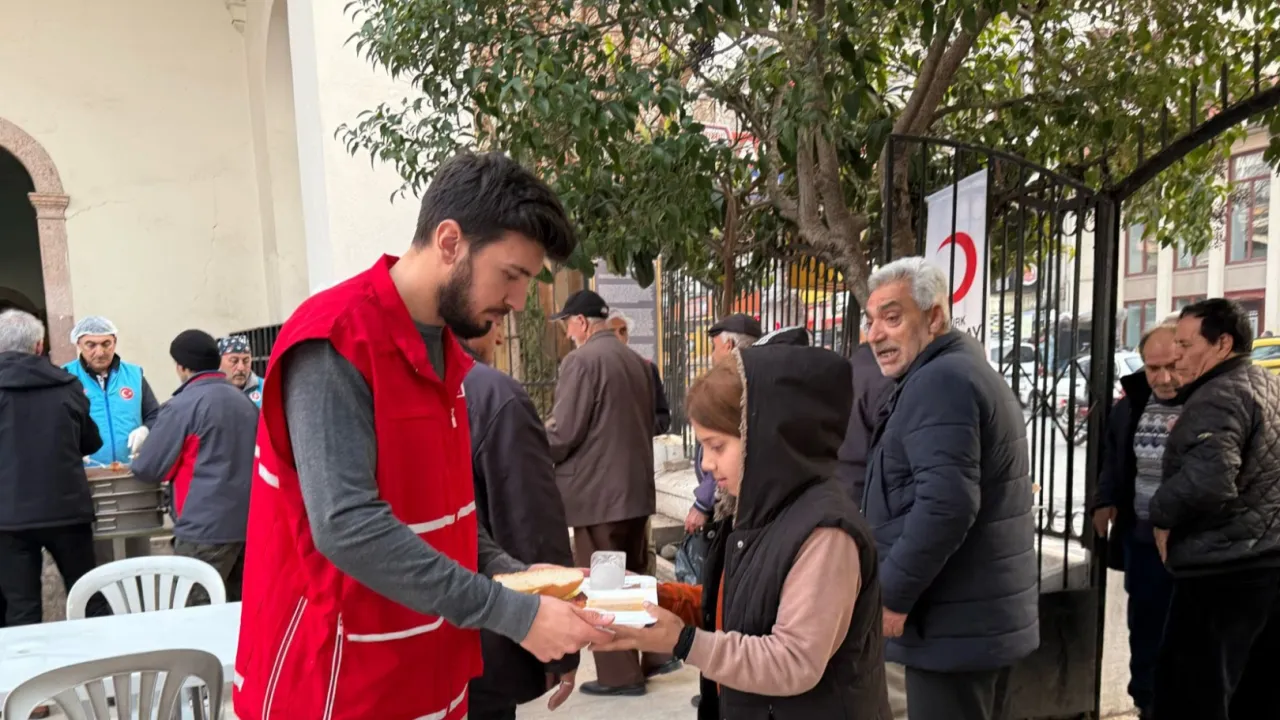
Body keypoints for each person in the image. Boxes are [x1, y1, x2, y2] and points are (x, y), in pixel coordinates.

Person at [233, 152, 612, 720]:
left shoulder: (444, 353)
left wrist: (511, 573)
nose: (516, 302)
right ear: (450, 241)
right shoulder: (336, 341)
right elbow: (347, 526)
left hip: (429, 671)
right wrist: (513, 614)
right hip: (339, 682)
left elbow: (444, 513)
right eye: (511, 275)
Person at [592, 344, 891, 719]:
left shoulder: (826, 533)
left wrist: (685, 642)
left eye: (716, 446)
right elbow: (734, 604)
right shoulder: (757, 510)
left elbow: (794, 660)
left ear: (766, 441)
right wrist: (648, 595)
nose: (706, 463)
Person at [861, 257, 1038, 720]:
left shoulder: (940, 381)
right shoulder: (955, 372)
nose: (875, 334)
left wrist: (893, 593)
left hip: (953, 623)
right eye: (871, 320)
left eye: (892, 318)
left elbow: (947, 504)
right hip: (968, 620)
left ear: (934, 317)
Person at [1149, 298, 1280, 720]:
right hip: (1263, 564)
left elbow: (1209, 482)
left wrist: (1160, 513)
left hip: (1222, 572)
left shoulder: (1218, 395)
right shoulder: (1264, 384)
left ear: (1222, 344)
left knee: (1191, 696)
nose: (1177, 356)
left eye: (1186, 345)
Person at [548, 288, 672, 695]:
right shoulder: (636, 361)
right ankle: (656, 655)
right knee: (634, 578)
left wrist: (531, 444)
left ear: (581, 323)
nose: (568, 334)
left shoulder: (581, 361)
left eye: (568, 325)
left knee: (604, 586)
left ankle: (620, 676)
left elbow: (564, 432)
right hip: (635, 490)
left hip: (597, 495)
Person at [461, 322, 579, 719]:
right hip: (482, 640)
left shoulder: (392, 389)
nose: (500, 337)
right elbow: (531, 523)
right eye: (495, 318)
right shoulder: (494, 395)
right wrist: (561, 647)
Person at [1090, 318, 1181, 720]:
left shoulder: (1209, 403)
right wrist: (1104, 500)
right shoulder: (1130, 405)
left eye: (1172, 366)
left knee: (1187, 638)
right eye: (1153, 368)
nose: (1163, 378)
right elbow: (1113, 459)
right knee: (1144, 631)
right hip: (1142, 541)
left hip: (1190, 544)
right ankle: (1146, 704)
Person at [131, 330, 259, 604]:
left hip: (203, 530)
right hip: (248, 526)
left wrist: (140, 451)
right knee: (239, 612)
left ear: (181, 367)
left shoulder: (182, 406)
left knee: (194, 612)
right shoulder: (246, 402)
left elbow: (150, 467)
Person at [0, 309, 105, 626]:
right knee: (88, 597)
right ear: (38, 345)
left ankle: (28, 660)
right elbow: (90, 441)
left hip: (8, 516)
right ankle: (103, 653)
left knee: (22, 607)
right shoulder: (67, 384)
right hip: (66, 508)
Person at [63, 315, 161, 466]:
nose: (100, 352)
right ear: (78, 344)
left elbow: (155, 415)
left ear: (115, 342)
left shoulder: (134, 375)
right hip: (84, 472)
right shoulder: (66, 377)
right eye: (91, 345)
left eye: (106, 344)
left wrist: (146, 430)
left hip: (130, 469)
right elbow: (54, 425)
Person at [607, 309, 670, 435]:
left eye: (623, 331)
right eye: (611, 332)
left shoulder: (648, 369)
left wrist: (641, 429)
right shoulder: (594, 371)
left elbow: (662, 417)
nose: (618, 336)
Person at [218, 335, 262, 408]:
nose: (241, 368)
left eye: (246, 361)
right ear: (219, 362)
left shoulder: (266, 388)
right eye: (234, 361)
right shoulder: (210, 392)